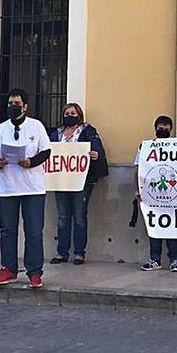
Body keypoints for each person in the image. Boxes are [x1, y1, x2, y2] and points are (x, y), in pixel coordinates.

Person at [0, 88, 52, 288]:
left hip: (32, 188)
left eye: (16, 104)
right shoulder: (1, 129)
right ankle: (8, 268)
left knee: (33, 231)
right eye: (10, 104)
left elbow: (46, 151)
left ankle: (34, 272)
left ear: (25, 106)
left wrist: (31, 162)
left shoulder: (36, 126)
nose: (12, 107)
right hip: (7, 188)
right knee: (7, 230)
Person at [49, 103, 108, 265]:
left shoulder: (87, 130)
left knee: (79, 216)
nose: (70, 115)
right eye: (67, 113)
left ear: (79, 115)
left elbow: (95, 145)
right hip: (60, 180)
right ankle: (62, 252)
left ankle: (79, 253)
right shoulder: (57, 133)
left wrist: (96, 153)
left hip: (82, 180)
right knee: (62, 217)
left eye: (73, 113)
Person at [141, 115, 177, 272]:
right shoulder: (146, 147)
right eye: (160, 126)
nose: (163, 129)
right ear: (155, 128)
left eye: (166, 127)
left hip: (174, 196)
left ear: (171, 129)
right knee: (155, 227)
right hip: (152, 195)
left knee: (173, 227)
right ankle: (154, 259)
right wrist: (137, 190)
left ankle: (175, 260)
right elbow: (138, 168)